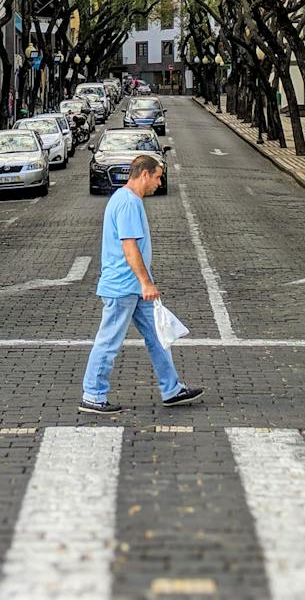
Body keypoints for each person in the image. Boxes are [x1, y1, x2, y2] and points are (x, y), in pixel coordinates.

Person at [79, 154, 204, 414]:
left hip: (134, 287)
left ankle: (171, 389)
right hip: (124, 286)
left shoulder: (127, 200)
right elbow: (129, 246)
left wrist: (145, 284)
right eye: (158, 177)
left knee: (158, 337)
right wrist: (146, 282)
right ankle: (93, 394)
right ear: (144, 174)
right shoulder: (128, 203)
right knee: (109, 341)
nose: (160, 183)